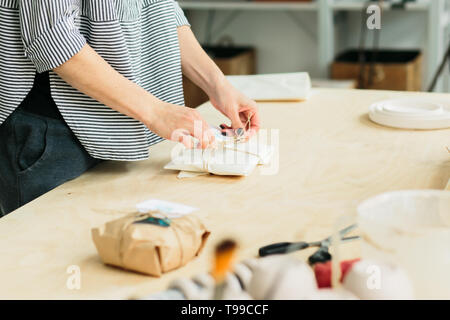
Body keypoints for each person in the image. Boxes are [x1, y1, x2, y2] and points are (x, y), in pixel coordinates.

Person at [0, 0, 260, 216]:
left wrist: (218, 85)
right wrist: (155, 112)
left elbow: (159, 8)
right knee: (50, 263)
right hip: (54, 131)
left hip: (124, 118)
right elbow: (52, 36)